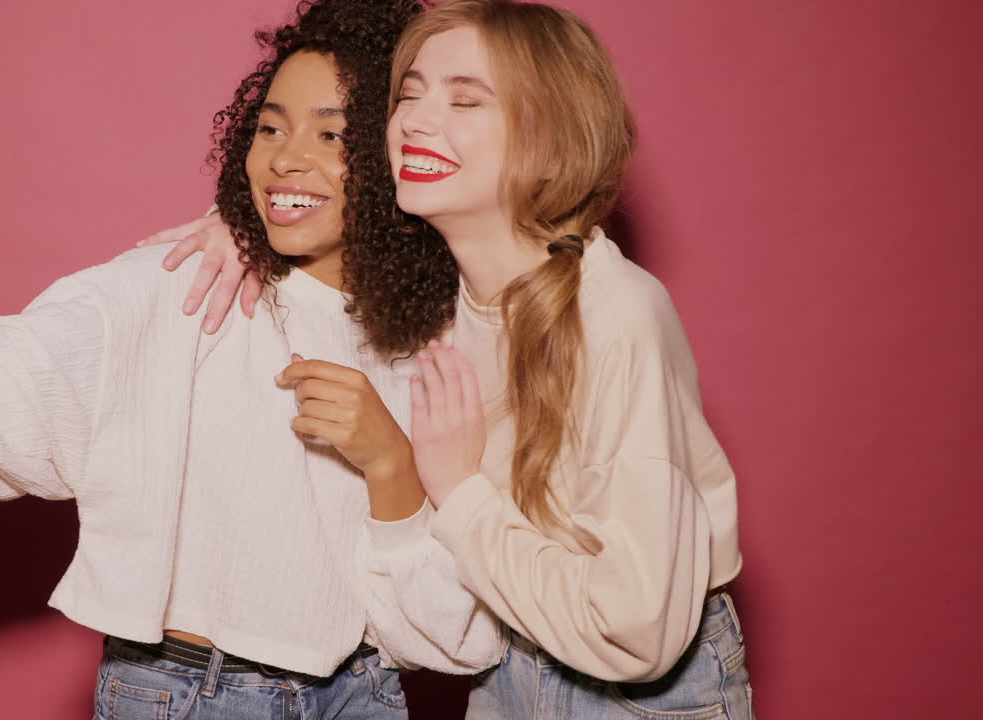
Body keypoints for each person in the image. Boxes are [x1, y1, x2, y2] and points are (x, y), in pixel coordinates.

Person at [0, 1, 504, 718]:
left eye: (333, 134)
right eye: (269, 126)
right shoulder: (187, 289)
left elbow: (453, 643)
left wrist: (391, 465)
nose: (287, 158)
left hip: (367, 696)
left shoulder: (438, 343)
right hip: (197, 694)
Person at [166, 1, 753, 718]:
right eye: (407, 94)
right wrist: (238, 226)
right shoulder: (429, 301)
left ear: (550, 135)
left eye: (464, 99)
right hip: (506, 668)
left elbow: (639, 635)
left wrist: (456, 490)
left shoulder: (615, 313)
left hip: (635, 697)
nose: (413, 120)